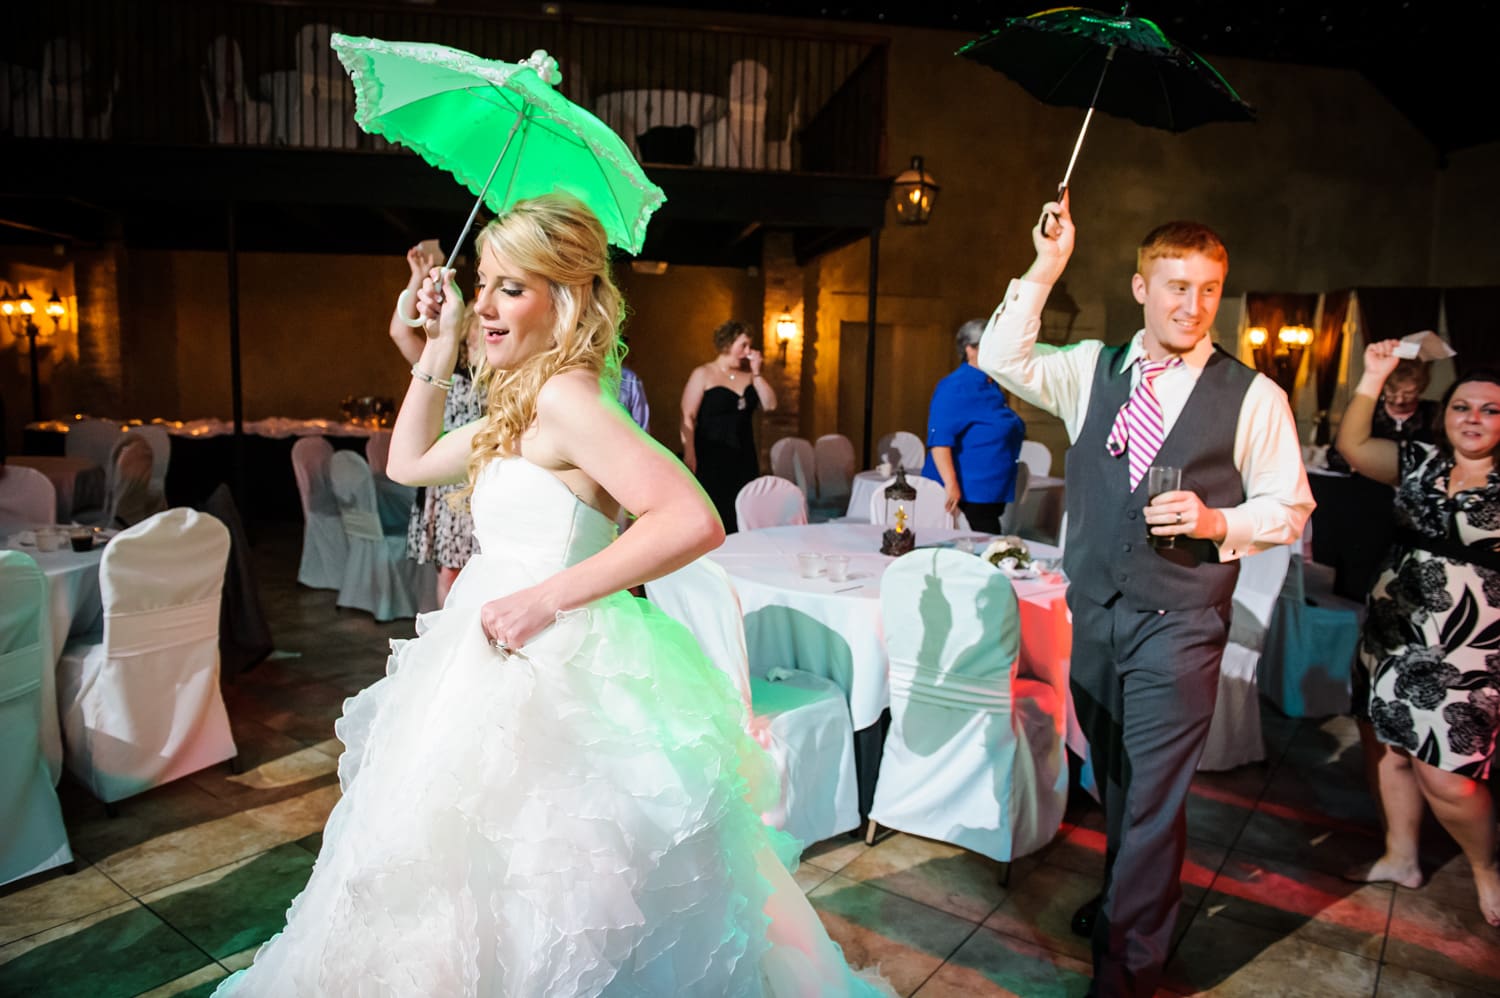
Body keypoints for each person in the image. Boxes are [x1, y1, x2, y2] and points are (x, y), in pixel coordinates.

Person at [212, 195, 891, 996]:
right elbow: (409, 461)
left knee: (552, 886)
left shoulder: (573, 399)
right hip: (486, 658)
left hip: (556, 659)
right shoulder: (520, 401)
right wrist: (433, 345)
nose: (488, 306)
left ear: (565, 299)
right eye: (484, 283)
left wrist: (544, 600)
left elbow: (692, 518)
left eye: (512, 287)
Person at [978, 193, 1313, 996]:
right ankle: (1128, 903)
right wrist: (1046, 263)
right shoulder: (1091, 371)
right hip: (1093, 614)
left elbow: (1291, 507)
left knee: (1157, 798)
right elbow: (999, 355)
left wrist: (1215, 518)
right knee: (1119, 781)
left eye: (1206, 289)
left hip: (1182, 622)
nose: (1191, 305)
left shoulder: (1252, 395)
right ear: (1140, 288)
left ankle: (1127, 972)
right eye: (1174, 286)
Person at [1335, 340, 1500, 927]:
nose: (1473, 418)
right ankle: (1400, 856)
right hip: (1393, 629)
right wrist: (1373, 375)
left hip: (1473, 646)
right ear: (1444, 413)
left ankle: (1486, 868)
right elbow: (1352, 446)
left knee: (1449, 777)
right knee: (1388, 747)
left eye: (1489, 409)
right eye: (1462, 407)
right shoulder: (1421, 460)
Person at [388, 241, 485, 605]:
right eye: (474, 327)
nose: (479, 335)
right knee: (449, 569)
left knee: (481, 568)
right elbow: (400, 331)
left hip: (479, 482)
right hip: (446, 488)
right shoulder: (449, 371)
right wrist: (416, 277)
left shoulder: (504, 379)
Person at [921, 317, 1026, 533]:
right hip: (969, 496)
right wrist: (951, 486)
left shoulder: (990, 384)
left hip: (988, 493)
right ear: (971, 350)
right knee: (983, 556)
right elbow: (940, 439)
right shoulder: (956, 386)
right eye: (992, 346)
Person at [679, 319, 777, 533]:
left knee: (741, 513)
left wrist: (758, 372)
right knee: (714, 514)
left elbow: (770, 405)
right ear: (727, 344)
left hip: (744, 455)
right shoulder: (703, 373)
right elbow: (688, 415)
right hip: (711, 454)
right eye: (743, 345)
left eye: (750, 346)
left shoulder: (750, 376)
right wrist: (689, 453)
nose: (748, 351)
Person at [1325, 356, 1438, 472]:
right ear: (1383, 385)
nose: (1399, 400)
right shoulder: (1366, 412)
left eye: (1408, 393)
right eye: (1392, 391)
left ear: (1421, 389)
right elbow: (1336, 455)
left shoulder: (1434, 413)